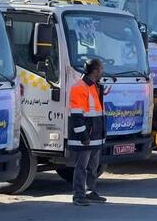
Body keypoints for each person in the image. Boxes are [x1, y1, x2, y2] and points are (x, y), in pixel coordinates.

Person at [68, 59, 106, 206]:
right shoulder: (80, 87)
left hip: (94, 137)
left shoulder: (94, 87)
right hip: (85, 137)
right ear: (95, 71)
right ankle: (78, 195)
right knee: (81, 167)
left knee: (92, 167)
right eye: (100, 69)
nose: (102, 72)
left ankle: (90, 192)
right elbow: (77, 116)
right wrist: (83, 136)